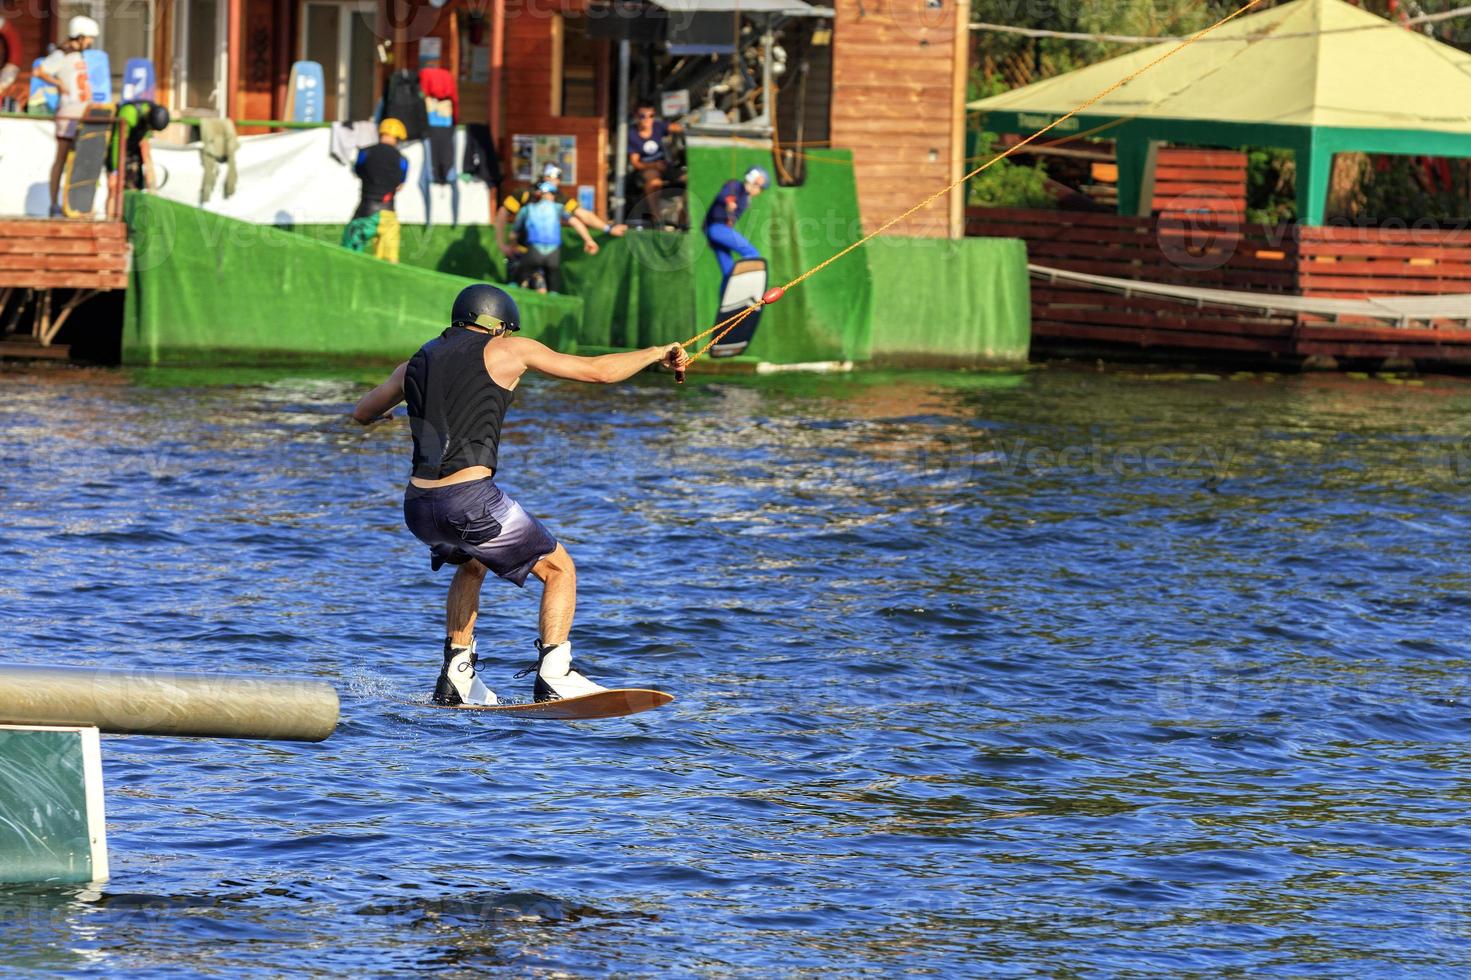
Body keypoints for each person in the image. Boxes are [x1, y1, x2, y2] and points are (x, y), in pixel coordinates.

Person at [350, 284, 691, 706]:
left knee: (473, 561)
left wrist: (385, 414)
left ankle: (456, 675)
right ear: (498, 327)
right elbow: (598, 371)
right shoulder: (508, 350)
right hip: (469, 500)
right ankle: (555, 675)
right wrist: (656, 352)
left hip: (418, 508)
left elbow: (362, 411)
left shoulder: (413, 363)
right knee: (559, 569)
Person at [494, 161, 626, 263]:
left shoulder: (560, 199)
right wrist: (501, 244)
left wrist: (608, 228)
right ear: (542, 177)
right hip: (522, 251)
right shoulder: (525, 194)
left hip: (548, 251)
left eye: (556, 178)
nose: (553, 181)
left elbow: (582, 215)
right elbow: (502, 212)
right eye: (549, 177)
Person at [34, 16, 98, 217]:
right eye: (88, 38)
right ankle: (54, 204)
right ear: (80, 36)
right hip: (68, 112)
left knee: (81, 160)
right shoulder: (62, 54)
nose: (91, 42)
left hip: (83, 112)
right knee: (61, 159)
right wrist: (58, 84)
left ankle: (76, 205)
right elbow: (39, 71)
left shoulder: (79, 56)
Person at [512, 180, 597, 293]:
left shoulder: (527, 209)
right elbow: (576, 222)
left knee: (519, 280)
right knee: (552, 285)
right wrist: (589, 240)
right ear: (552, 195)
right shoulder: (559, 208)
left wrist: (512, 245)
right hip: (553, 253)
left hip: (534, 251)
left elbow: (513, 234)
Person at [342, 118, 408, 263]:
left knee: (347, 256)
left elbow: (357, 171)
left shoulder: (365, 153)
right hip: (388, 215)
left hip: (365, 212)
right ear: (397, 138)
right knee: (390, 263)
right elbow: (400, 185)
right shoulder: (403, 160)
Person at [704, 166, 769, 278]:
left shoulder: (745, 197)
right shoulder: (735, 186)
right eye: (760, 188)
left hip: (717, 231)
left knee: (728, 272)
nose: (759, 192)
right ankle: (747, 282)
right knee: (752, 253)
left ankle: (728, 294)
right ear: (754, 182)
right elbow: (723, 195)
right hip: (718, 229)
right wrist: (729, 202)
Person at [627, 101, 680, 222]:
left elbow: (678, 128)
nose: (647, 119)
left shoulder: (658, 126)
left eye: (651, 116)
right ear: (636, 116)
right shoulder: (632, 134)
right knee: (655, 182)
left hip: (666, 167)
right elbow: (636, 163)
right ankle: (656, 216)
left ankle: (683, 218)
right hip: (646, 168)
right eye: (642, 116)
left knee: (688, 178)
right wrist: (654, 165)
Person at [108, 100, 169, 192]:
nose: (151, 130)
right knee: (115, 187)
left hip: (133, 150)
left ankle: (152, 193)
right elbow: (118, 142)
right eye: (151, 127)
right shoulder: (129, 113)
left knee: (135, 186)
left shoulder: (151, 115)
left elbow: (145, 147)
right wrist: (115, 170)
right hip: (117, 150)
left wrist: (152, 187)